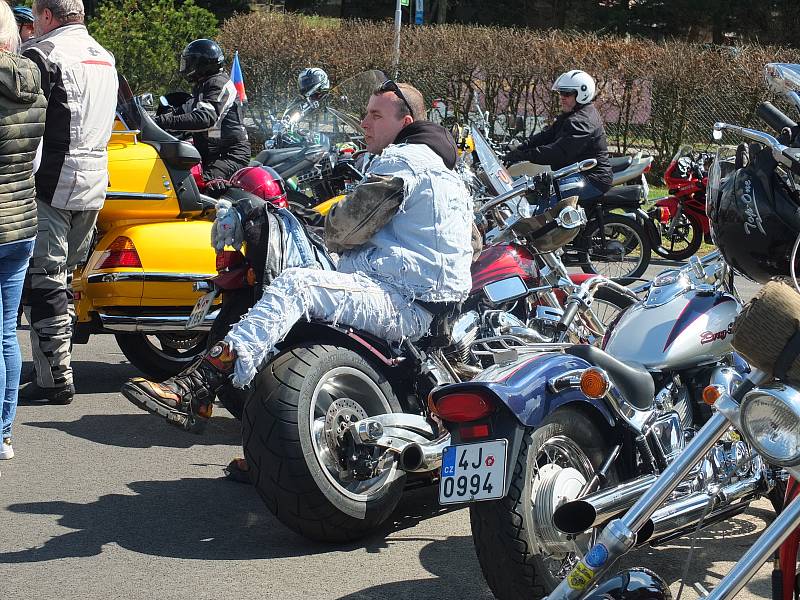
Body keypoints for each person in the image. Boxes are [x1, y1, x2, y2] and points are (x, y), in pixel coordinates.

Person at [121, 80, 473, 447]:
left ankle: (197, 386)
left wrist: (324, 220)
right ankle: (276, 448)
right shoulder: (449, 175)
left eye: (375, 115)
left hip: (401, 304)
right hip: (432, 308)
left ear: (405, 122)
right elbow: (472, 245)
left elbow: (346, 228)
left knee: (296, 285)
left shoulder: (402, 161)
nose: (364, 123)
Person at [18, 0, 118, 405]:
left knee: (45, 280)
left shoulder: (43, 55)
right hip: (96, 177)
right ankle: (56, 366)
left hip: (52, 180)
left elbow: (23, 119)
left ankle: (56, 377)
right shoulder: (106, 57)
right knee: (62, 279)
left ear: (46, 16)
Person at [0, 0, 47, 459]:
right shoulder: (34, 87)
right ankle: (5, 432)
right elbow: (31, 163)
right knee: (5, 334)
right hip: (21, 221)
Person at [154, 38, 250, 192]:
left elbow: (205, 118)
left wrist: (164, 121)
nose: (186, 67)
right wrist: (152, 120)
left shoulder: (218, 84)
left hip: (229, 155)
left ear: (202, 63)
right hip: (213, 153)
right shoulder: (204, 86)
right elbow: (185, 110)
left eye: (190, 62)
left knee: (198, 189)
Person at [504, 70, 613, 202]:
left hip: (591, 179)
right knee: (531, 188)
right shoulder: (574, 115)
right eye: (561, 93)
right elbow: (547, 136)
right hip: (579, 173)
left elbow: (557, 153)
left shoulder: (582, 122)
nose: (562, 97)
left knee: (545, 202)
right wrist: (520, 148)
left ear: (582, 94)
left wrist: (523, 155)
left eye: (567, 93)